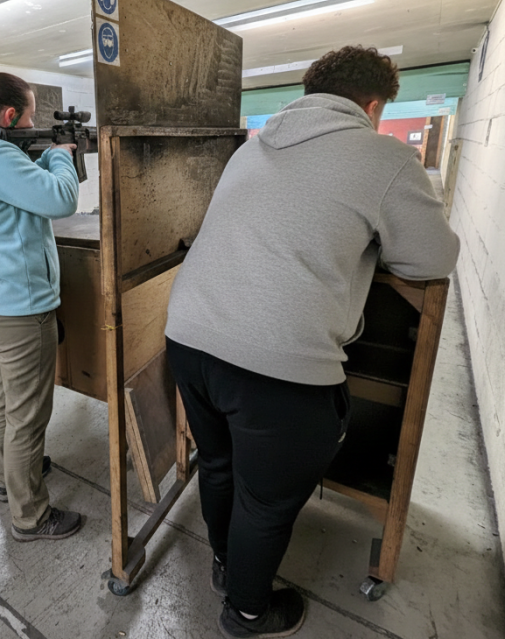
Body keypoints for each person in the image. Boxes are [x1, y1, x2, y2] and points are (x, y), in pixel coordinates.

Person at [165, 46, 460, 638]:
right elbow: (433, 257)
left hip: (189, 339)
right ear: (372, 106)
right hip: (275, 361)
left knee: (218, 465)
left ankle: (225, 566)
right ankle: (247, 612)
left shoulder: (252, 149)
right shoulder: (385, 157)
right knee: (266, 503)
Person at [0, 72, 82, 542]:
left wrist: (44, 158)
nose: (31, 123)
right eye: (28, 115)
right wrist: (60, 155)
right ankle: (31, 516)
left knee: (6, 398)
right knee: (27, 416)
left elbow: (22, 192)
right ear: (9, 115)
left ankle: (8, 481)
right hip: (19, 308)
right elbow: (62, 199)